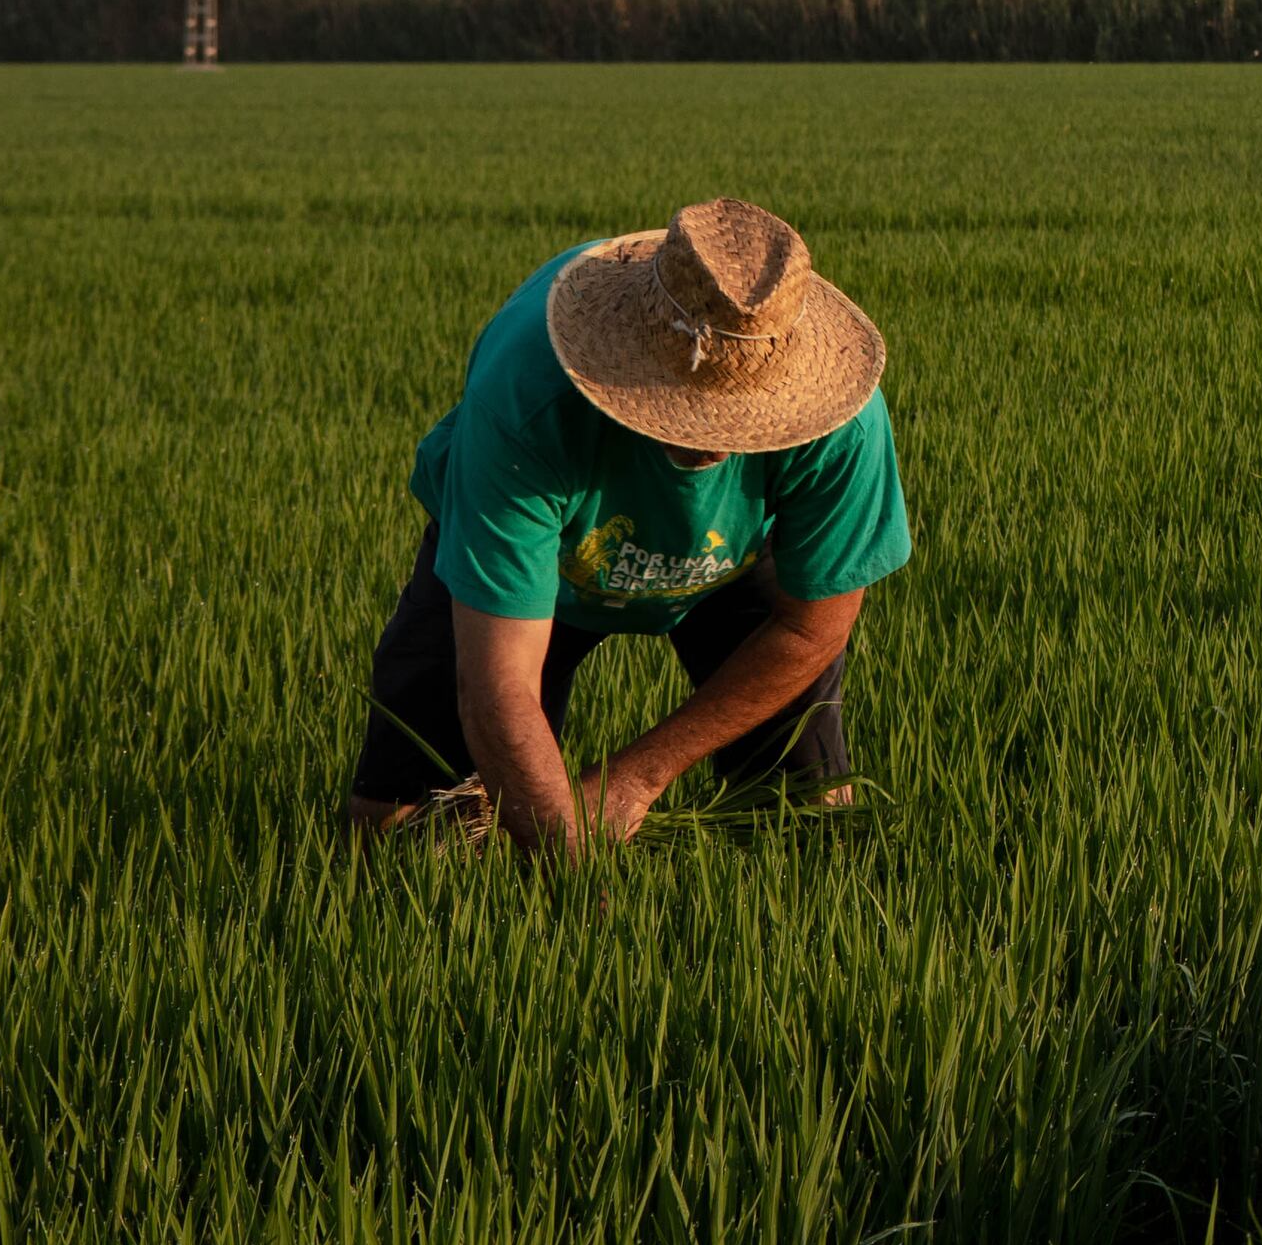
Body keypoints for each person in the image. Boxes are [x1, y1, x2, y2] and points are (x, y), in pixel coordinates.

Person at [343, 198, 912, 850]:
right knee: (394, 832)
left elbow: (811, 629)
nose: (711, 445)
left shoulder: (839, 419)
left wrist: (638, 776)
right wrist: (573, 871)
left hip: (731, 558)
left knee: (812, 818)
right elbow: (497, 685)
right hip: (552, 563)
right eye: (682, 411)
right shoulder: (532, 394)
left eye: (740, 423)